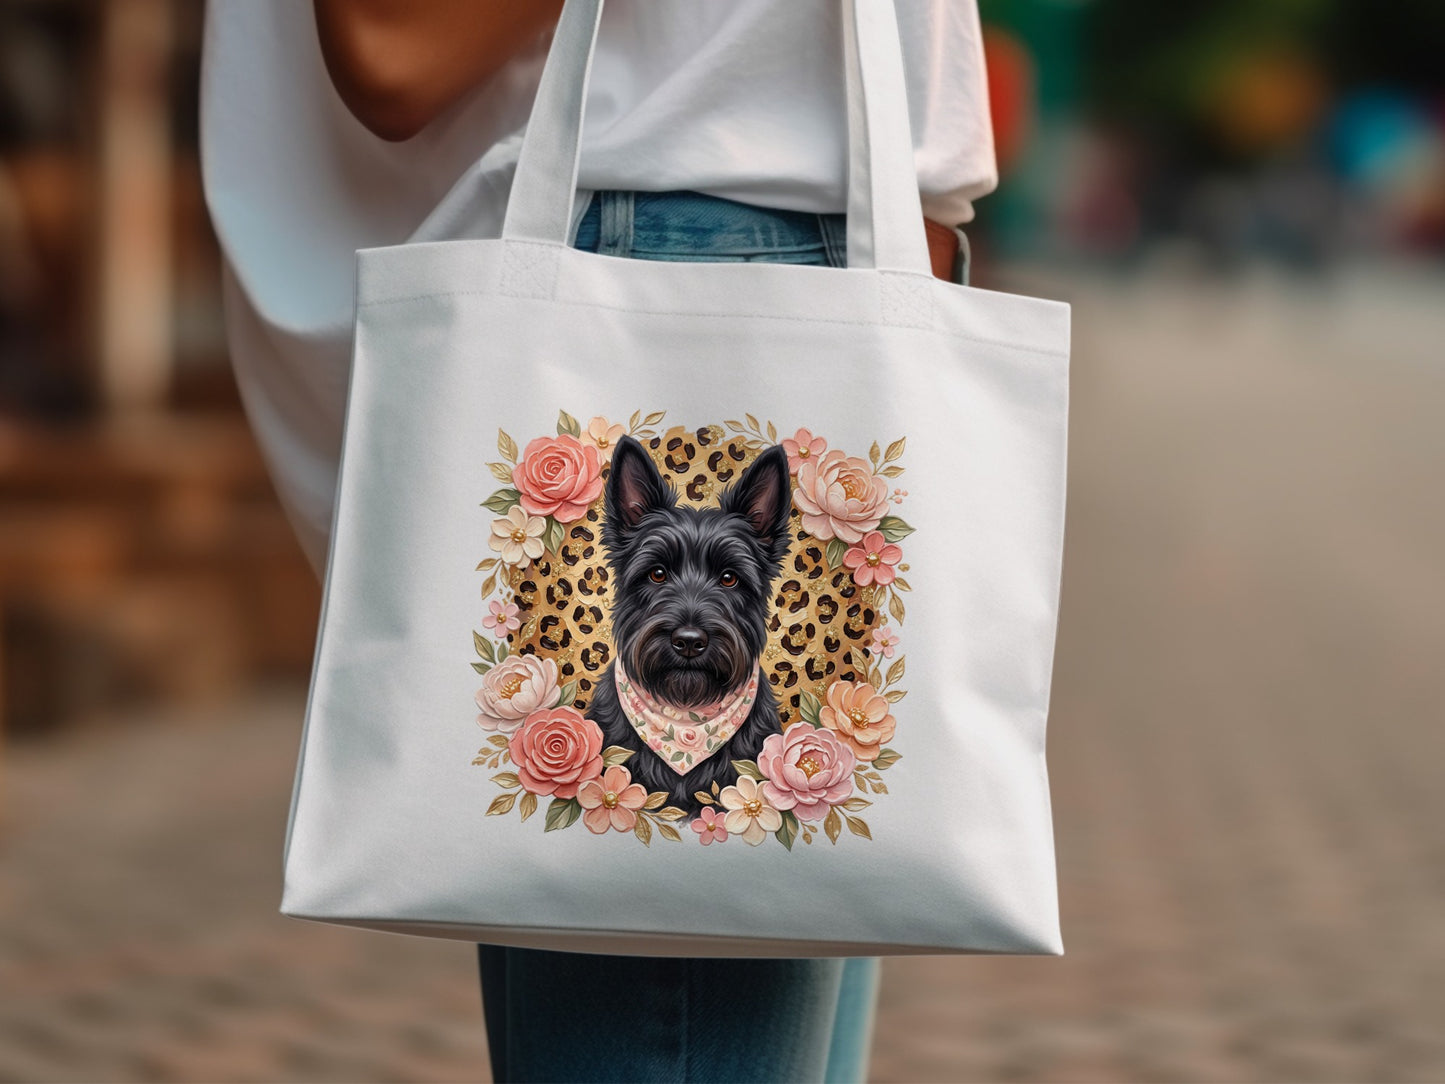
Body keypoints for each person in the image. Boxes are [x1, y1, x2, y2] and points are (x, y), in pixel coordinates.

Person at [201, 2, 996, 1080]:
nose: (689, 614)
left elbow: (390, 51)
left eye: (723, 580)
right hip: (777, 243)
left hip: (742, 236)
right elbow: (392, 46)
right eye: (657, 570)